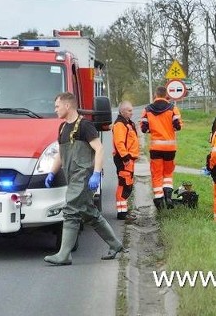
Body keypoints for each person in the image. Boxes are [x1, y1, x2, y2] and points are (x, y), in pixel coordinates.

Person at [43, 92, 123, 265]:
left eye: (57, 106)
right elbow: (60, 153)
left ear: (67, 106)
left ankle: (64, 255)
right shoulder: (63, 128)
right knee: (90, 214)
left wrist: (96, 173)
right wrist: (52, 172)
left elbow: (99, 149)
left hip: (84, 176)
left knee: (70, 209)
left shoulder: (85, 125)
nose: (55, 110)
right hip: (72, 177)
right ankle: (115, 244)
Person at [140, 86, 183, 210]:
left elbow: (143, 128)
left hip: (155, 147)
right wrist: (168, 130)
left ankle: (159, 199)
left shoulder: (147, 109)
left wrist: (154, 130)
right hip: (170, 148)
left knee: (157, 174)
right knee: (168, 173)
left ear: (155, 95)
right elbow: (178, 126)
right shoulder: (173, 108)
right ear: (166, 95)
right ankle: (168, 196)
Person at [112, 101, 139, 222]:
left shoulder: (127, 123)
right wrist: (126, 158)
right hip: (124, 160)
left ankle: (124, 211)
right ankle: (122, 213)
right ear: (122, 111)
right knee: (124, 185)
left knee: (127, 184)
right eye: (129, 111)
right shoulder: (120, 125)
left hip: (128, 159)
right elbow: (119, 143)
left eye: (132, 110)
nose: (131, 113)